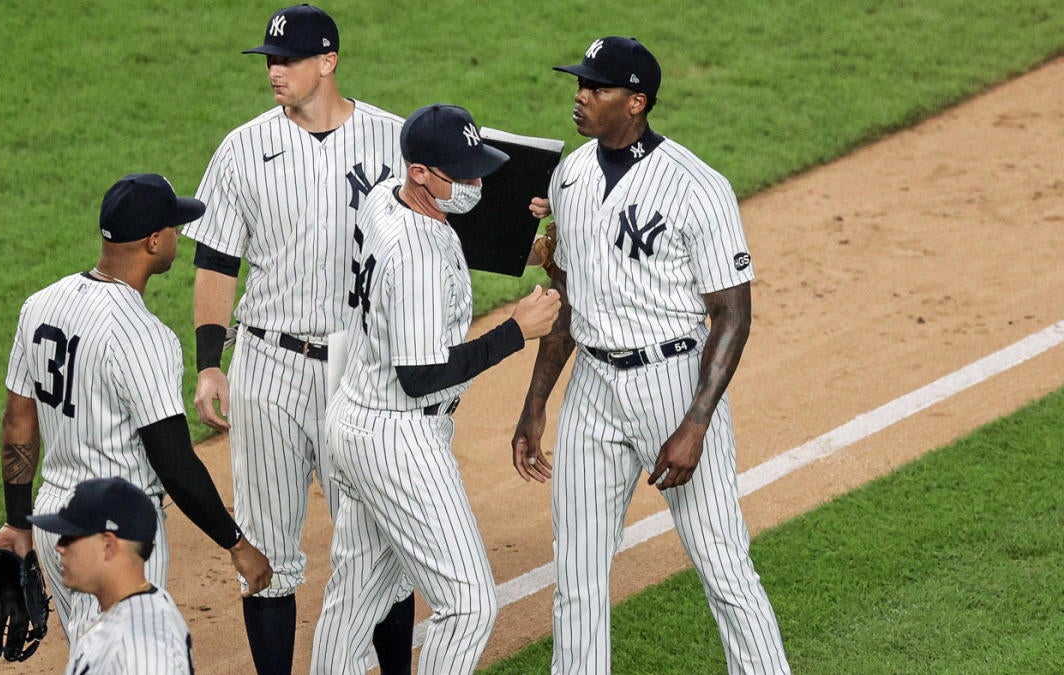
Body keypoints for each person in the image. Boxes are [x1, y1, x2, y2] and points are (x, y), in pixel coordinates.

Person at [511, 37, 791, 673]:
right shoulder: (571, 176)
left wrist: (696, 423)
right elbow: (567, 295)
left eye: (596, 88)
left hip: (674, 384)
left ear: (635, 102)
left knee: (723, 567)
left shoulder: (698, 186)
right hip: (593, 388)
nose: (580, 97)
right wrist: (535, 403)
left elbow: (733, 313)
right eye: (579, 84)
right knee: (577, 577)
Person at [185, 4, 413, 672]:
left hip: (361, 364)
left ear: (329, 62)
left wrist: (527, 208)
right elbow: (217, 261)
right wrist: (208, 363)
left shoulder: (393, 140)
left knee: (378, 545)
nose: (274, 72)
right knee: (266, 552)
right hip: (268, 364)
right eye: (269, 61)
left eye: (286, 60)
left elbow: (456, 217)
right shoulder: (241, 148)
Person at [310, 103, 561, 674]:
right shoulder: (416, 254)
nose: (475, 184)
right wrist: (515, 331)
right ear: (419, 172)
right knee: (469, 605)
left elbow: (454, 227)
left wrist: (525, 226)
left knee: (355, 598)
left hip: (354, 416)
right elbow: (421, 374)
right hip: (399, 436)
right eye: (462, 173)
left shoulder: (381, 200)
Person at [0, 173, 273, 646]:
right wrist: (237, 543)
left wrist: (19, 520)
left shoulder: (39, 305)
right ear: (153, 241)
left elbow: (18, 420)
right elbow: (175, 463)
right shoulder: (144, 337)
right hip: (113, 536)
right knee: (127, 653)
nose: (179, 237)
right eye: (174, 228)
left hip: (53, 518)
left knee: (95, 650)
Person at [29, 477, 194, 673]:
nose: (59, 547)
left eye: (70, 537)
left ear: (108, 545)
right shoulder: (130, 613)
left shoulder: (142, 643)